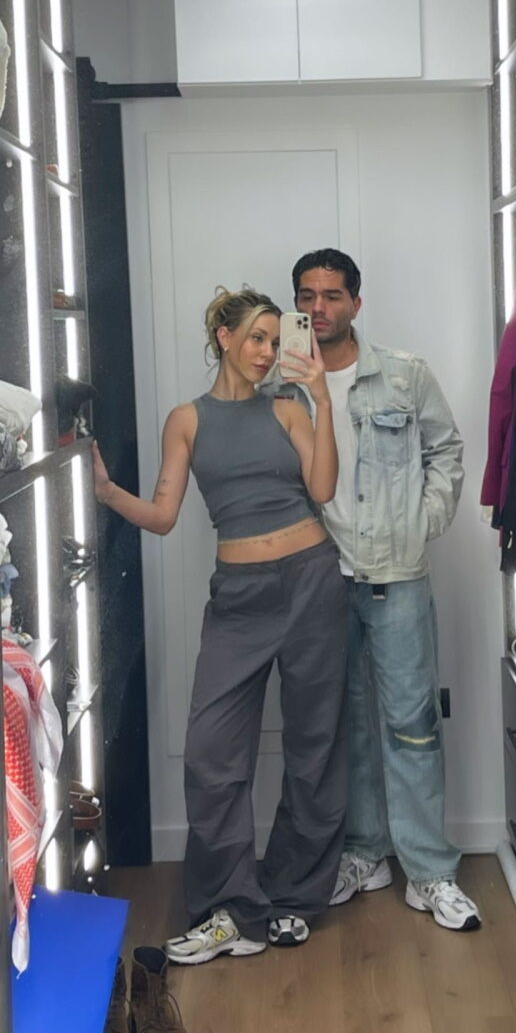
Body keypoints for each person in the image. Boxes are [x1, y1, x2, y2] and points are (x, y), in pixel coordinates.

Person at [92, 286, 349, 960]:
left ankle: (293, 899)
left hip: (312, 583)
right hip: (239, 596)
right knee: (212, 754)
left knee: (315, 746)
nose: (267, 352)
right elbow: (163, 515)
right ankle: (231, 910)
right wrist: (107, 492)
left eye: (275, 341)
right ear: (224, 337)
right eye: (257, 338)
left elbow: (322, 490)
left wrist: (322, 401)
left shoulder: (289, 408)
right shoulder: (187, 420)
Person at [263, 249, 481, 932]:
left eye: (332, 295)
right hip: (320, 578)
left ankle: (430, 871)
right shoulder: (280, 387)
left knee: (412, 725)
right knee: (345, 724)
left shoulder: (403, 375)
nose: (318, 308)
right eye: (307, 296)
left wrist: (425, 519)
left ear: (356, 303)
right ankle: (363, 854)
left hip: (395, 573)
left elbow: (445, 450)